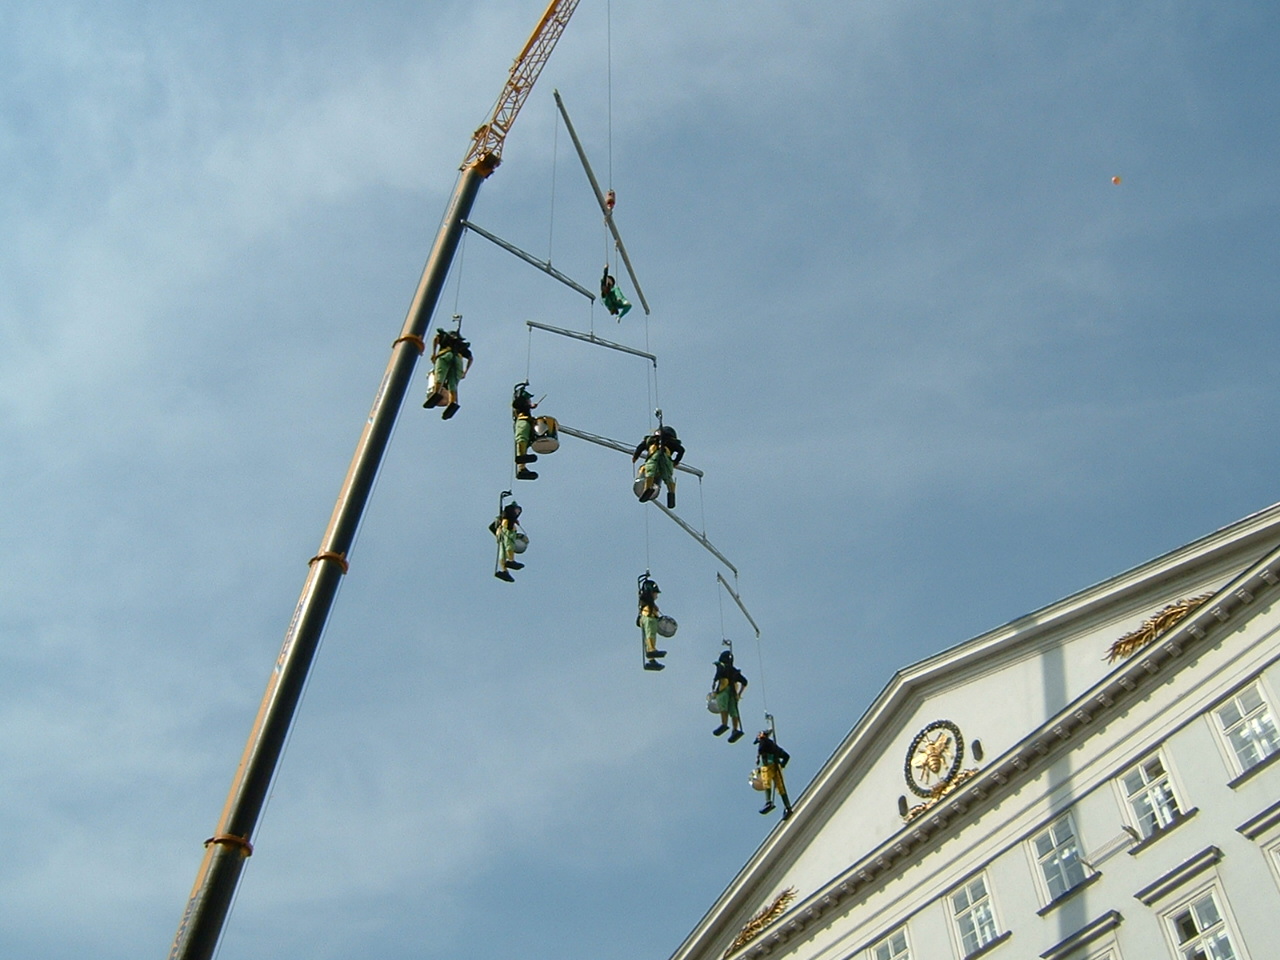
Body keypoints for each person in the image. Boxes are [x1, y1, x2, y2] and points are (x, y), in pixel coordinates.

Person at [422, 327, 473, 419]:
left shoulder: (444, 337)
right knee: (453, 383)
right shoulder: (461, 345)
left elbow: (436, 338)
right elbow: (470, 358)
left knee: (440, 375)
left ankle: (436, 393)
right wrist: (465, 371)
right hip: (458, 359)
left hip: (444, 355)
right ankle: (452, 401)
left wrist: (433, 353)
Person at [632, 425, 684, 508]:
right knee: (667, 476)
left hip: (654, 458)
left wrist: (635, 456)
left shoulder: (650, 441)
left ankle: (647, 488)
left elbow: (640, 448)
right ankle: (671, 493)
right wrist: (676, 461)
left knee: (649, 471)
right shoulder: (672, 443)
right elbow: (681, 451)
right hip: (666, 461)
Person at [754, 730, 793, 818]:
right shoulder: (772, 746)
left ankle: (769, 802)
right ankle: (787, 806)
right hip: (775, 766)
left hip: (768, 767)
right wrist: (781, 764)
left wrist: (780, 762)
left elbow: (761, 749)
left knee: (768, 783)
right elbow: (786, 756)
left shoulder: (765, 743)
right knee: (780, 787)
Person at [710, 650, 747, 741]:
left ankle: (724, 724)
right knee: (733, 710)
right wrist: (739, 694)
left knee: (723, 707)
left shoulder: (721, 665)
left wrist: (715, 685)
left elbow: (718, 674)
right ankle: (735, 729)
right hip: (733, 691)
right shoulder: (734, 671)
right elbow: (745, 682)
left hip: (724, 689)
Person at [489, 501, 525, 582]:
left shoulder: (504, 519)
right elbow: (510, 542)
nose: (518, 512)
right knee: (509, 544)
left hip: (501, 534)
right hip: (506, 532)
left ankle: (504, 570)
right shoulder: (508, 520)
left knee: (503, 553)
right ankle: (510, 561)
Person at [637, 576, 667, 671]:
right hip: (649, 618)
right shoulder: (647, 607)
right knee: (650, 634)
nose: (656, 596)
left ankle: (652, 658)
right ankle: (651, 650)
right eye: (655, 593)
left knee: (652, 635)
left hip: (652, 618)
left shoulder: (650, 604)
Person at [512, 382, 539, 480]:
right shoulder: (519, 405)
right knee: (522, 439)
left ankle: (522, 468)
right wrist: (529, 405)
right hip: (522, 421)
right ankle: (521, 464)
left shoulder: (525, 409)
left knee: (526, 442)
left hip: (527, 422)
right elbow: (516, 404)